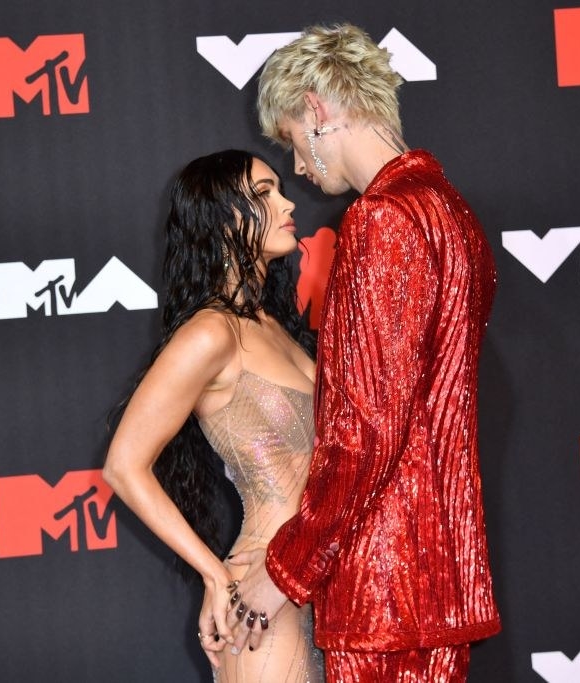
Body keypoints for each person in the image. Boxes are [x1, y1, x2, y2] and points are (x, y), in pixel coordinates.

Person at [212, 24, 501, 682]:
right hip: (435, 584)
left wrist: (284, 570)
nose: (301, 171)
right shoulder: (455, 216)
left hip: (385, 592)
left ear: (316, 109)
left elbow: (367, 429)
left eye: (291, 142)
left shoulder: (384, 220)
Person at [103, 149, 324, 683]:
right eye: (264, 194)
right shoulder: (209, 333)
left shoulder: (276, 323)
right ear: (223, 219)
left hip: (327, 586)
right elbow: (123, 465)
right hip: (266, 605)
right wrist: (215, 576)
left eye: (279, 188)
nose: (288, 202)